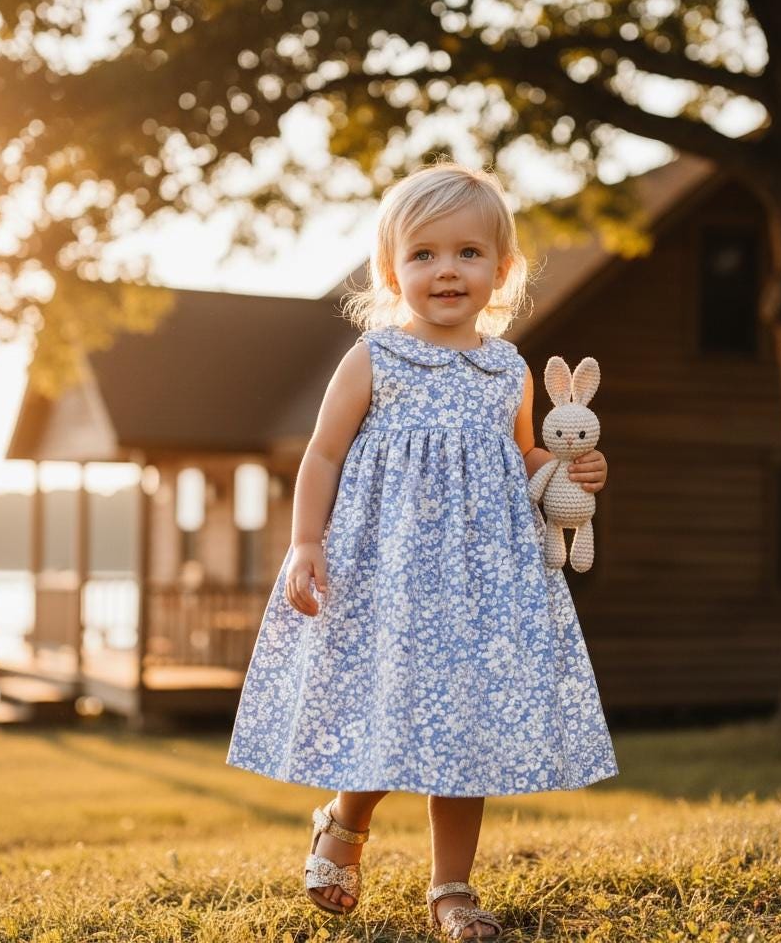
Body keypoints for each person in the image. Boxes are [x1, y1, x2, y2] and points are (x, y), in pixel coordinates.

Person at [226, 159, 619, 939]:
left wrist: (566, 472)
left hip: (481, 585)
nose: (447, 269)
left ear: (501, 270)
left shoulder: (506, 368)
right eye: (424, 254)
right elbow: (324, 455)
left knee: (464, 734)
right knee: (382, 716)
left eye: (469, 253)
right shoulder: (375, 357)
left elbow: (522, 461)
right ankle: (345, 820)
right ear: (391, 268)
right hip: (387, 577)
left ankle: (453, 889)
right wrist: (306, 540)